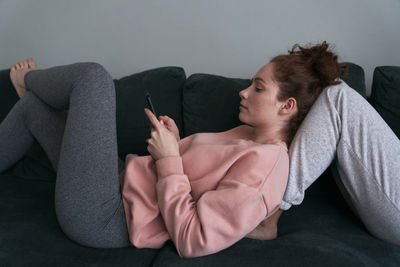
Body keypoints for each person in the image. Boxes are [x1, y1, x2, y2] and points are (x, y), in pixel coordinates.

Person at [0, 41, 392, 259]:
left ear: (286, 106)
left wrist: (170, 160)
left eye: (258, 87)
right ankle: (31, 94)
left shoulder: (267, 167)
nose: (243, 91)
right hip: (117, 181)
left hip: (107, 216)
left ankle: (29, 80)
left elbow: (193, 238)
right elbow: (197, 175)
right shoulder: (248, 134)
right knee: (34, 112)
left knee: (93, 80)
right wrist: (173, 147)